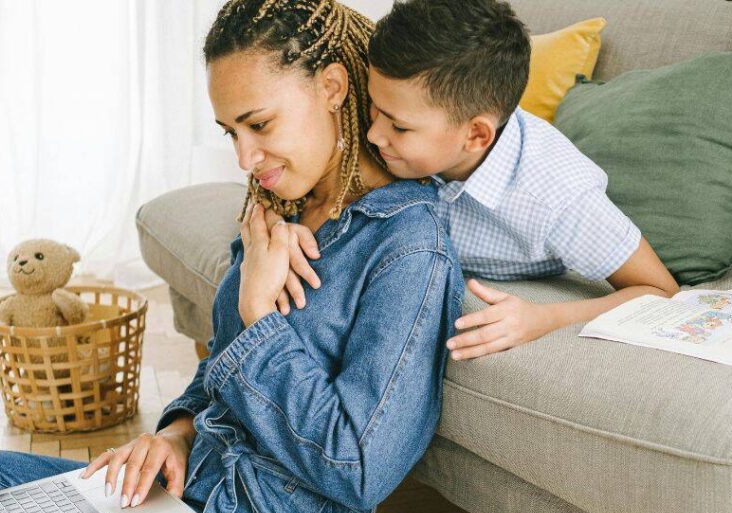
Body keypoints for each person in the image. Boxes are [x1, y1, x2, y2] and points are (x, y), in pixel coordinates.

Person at [0, 1, 464, 513]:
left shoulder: (409, 245)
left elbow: (358, 466)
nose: (245, 158)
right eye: (230, 132)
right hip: (177, 501)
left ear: (331, 87)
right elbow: (220, 370)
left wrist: (258, 315)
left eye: (260, 124)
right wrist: (176, 433)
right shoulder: (276, 212)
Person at [274, 0, 680, 360]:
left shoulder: (558, 197)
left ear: (476, 136)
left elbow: (661, 291)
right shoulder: (401, 116)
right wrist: (281, 222)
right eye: (374, 110)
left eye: (397, 126)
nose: (374, 135)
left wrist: (545, 318)